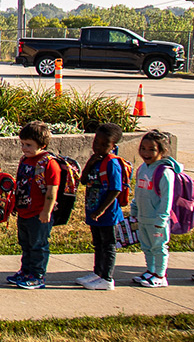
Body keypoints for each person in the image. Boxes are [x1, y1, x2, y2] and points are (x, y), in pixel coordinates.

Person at [6, 121, 60, 290]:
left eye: (29, 145)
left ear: (42, 145)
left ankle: (37, 275)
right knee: (26, 243)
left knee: (38, 244)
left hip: (39, 213)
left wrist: (46, 211)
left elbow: (52, 191)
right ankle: (26, 270)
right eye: (22, 144)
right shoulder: (25, 160)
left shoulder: (49, 164)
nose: (24, 148)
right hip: (24, 211)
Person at [77, 123, 126, 291]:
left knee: (108, 245)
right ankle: (97, 273)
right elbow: (83, 181)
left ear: (113, 147)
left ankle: (107, 277)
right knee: (98, 244)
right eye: (96, 142)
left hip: (107, 214)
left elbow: (116, 189)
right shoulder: (97, 161)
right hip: (94, 211)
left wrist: (101, 210)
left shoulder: (112, 163)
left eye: (104, 144)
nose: (98, 146)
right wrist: (89, 164)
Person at [131, 130, 178, 288]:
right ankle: (150, 271)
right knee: (146, 246)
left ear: (162, 151)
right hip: (144, 217)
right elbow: (138, 191)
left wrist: (162, 219)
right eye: (143, 148)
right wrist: (135, 209)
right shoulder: (142, 169)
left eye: (152, 149)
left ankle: (160, 275)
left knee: (159, 247)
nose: (146, 153)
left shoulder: (165, 172)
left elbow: (166, 198)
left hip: (157, 220)